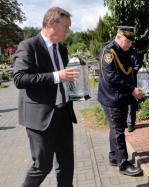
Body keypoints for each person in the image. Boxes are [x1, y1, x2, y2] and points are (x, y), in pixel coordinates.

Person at [13, 7, 79, 187]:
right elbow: (20, 79)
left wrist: (78, 90)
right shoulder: (28, 46)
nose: (68, 31)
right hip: (40, 118)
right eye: (66, 26)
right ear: (51, 23)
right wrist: (57, 76)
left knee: (67, 163)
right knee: (42, 166)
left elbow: (65, 78)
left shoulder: (62, 49)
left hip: (63, 114)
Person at [97, 25, 143, 176]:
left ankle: (113, 157)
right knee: (118, 131)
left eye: (131, 42)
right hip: (111, 98)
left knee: (116, 128)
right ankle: (123, 163)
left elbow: (131, 69)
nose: (130, 45)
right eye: (127, 41)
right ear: (118, 37)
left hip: (121, 97)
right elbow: (111, 77)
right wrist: (132, 90)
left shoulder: (125, 50)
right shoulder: (109, 52)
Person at [127, 49, 142, 133]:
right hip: (122, 82)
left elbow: (137, 66)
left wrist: (130, 71)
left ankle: (130, 123)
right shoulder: (119, 52)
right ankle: (124, 122)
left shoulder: (133, 52)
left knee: (131, 103)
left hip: (131, 81)